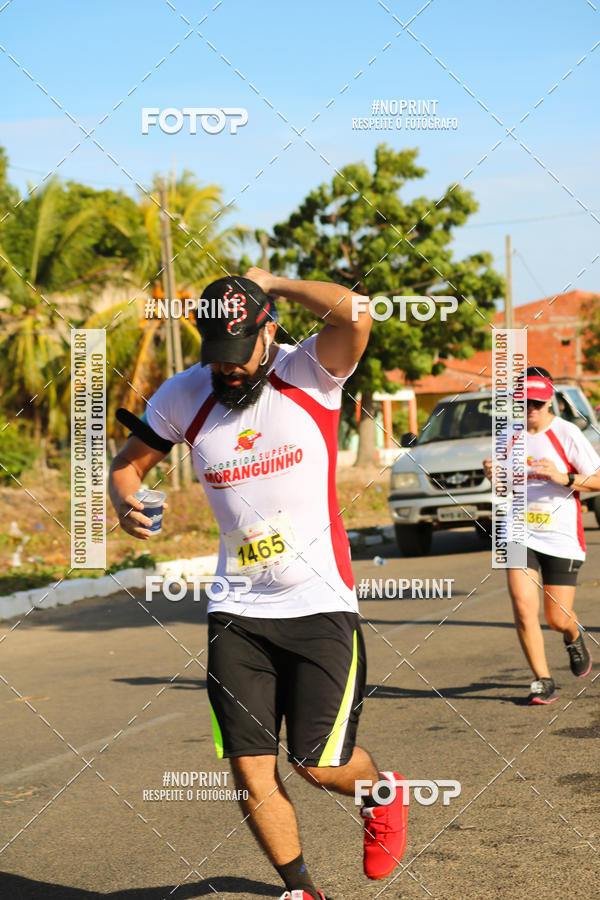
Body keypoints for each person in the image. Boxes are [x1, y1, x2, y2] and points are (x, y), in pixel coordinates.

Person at [109, 270, 409, 900]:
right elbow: (128, 467)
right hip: (237, 609)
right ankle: (299, 889)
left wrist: (273, 281)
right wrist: (125, 500)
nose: (228, 371)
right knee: (250, 770)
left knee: (317, 764)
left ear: (268, 330)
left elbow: (356, 312)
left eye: (238, 355)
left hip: (319, 603)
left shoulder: (311, 374)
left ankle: (382, 794)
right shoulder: (185, 392)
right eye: (214, 356)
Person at [483, 366, 600, 705]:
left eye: (536, 402)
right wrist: (492, 476)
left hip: (560, 535)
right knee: (522, 609)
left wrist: (563, 477)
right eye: (523, 403)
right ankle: (542, 679)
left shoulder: (566, 434)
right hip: (517, 530)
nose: (530, 409)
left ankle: (574, 635)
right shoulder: (508, 436)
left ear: (548, 400)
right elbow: (504, 488)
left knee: (557, 618)